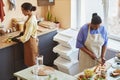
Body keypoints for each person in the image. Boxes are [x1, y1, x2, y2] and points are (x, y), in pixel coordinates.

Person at [12, 2, 38, 67]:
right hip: (31, 41)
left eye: (22, 10)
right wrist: (23, 32)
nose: (22, 12)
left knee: (32, 62)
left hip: (30, 42)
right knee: (33, 60)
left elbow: (26, 37)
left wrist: (17, 39)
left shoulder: (30, 21)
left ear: (28, 11)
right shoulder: (31, 16)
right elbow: (29, 31)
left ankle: (33, 76)